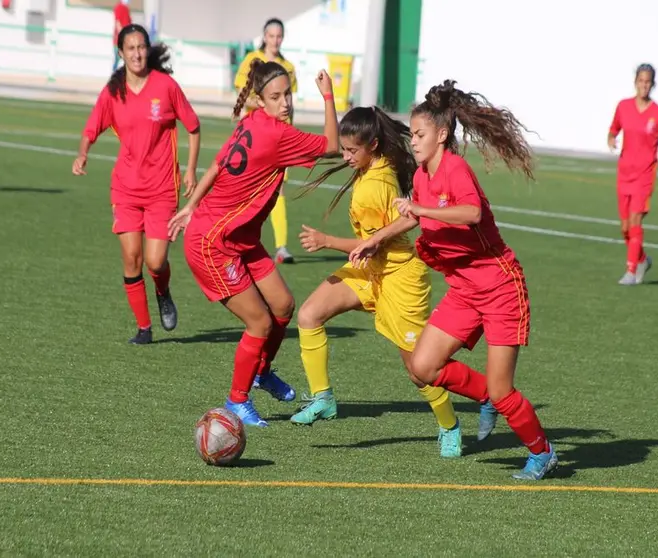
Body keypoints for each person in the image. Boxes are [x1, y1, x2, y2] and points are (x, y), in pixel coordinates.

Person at [350, 79, 557, 480]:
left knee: (503, 389)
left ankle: (542, 452)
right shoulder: (424, 178)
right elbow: (412, 215)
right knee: (424, 367)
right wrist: (375, 240)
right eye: (412, 135)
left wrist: (424, 210)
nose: (414, 142)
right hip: (465, 289)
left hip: (499, 286)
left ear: (442, 135)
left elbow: (472, 213)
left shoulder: (455, 168)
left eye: (422, 135)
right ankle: (488, 399)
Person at [168, 60, 338, 427]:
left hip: (239, 238)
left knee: (283, 304)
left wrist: (190, 205)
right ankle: (237, 400)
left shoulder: (251, 123)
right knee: (259, 322)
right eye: (276, 97)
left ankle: (261, 373)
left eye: (288, 95)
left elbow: (214, 167)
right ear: (260, 102)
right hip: (213, 243)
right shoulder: (278, 135)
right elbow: (333, 145)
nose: (285, 103)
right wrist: (328, 96)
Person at [292, 106, 462, 458]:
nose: (345, 156)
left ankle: (449, 426)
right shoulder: (377, 162)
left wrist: (327, 242)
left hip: (399, 276)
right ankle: (323, 397)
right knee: (309, 315)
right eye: (344, 148)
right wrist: (328, 96)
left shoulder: (374, 186)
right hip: (370, 271)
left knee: (419, 370)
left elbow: (370, 244)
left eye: (352, 151)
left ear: (372, 145)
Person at [73, 24, 200, 345]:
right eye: (130, 48)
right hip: (126, 188)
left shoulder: (166, 85)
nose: (137, 53)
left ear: (148, 49)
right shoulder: (114, 91)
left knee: (156, 262)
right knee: (132, 257)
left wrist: (190, 171)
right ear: (120, 53)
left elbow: (193, 127)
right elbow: (91, 127)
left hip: (161, 189)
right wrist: (82, 154)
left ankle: (163, 290)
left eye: (141, 46)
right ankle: (144, 328)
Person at [608, 63, 658, 286]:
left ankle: (631, 272)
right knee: (624, 228)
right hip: (624, 174)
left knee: (635, 222)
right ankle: (642, 259)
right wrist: (611, 139)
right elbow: (613, 129)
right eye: (641, 81)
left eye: (648, 82)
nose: (644, 85)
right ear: (636, 82)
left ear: (653, 84)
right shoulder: (623, 106)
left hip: (644, 176)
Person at [234, 18, 298, 264]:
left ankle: (281, 247)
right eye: (271, 36)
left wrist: (292, 134)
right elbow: (241, 95)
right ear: (264, 36)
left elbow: (290, 105)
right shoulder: (252, 60)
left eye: (279, 36)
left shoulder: (288, 66)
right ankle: (238, 238)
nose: (275, 40)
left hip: (280, 138)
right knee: (248, 187)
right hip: (256, 137)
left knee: (278, 189)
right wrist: (263, 103)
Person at [112, 0, 132, 72]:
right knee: (118, 59)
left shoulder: (126, 8)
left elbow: (129, 23)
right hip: (119, 40)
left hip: (126, 39)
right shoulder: (119, 7)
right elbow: (118, 23)